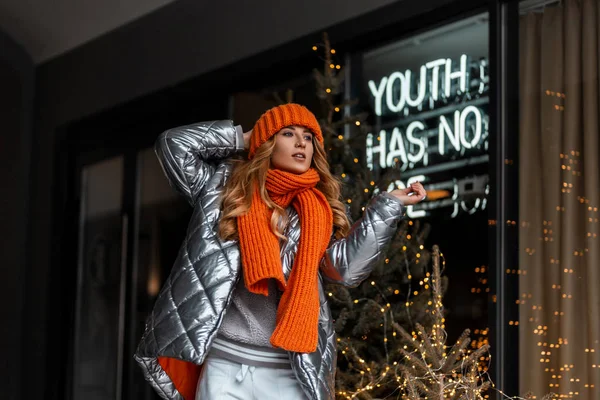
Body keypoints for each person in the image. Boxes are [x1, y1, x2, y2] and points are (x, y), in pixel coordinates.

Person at [134, 103, 426, 400]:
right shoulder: (223, 190)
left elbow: (346, 271)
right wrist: (242, 138)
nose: (301, 142)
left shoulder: (321, 210)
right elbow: (173, 145)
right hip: (225, 365)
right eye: (288, 133)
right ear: (267, 142)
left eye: (308, 137)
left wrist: (388, 206)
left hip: (289, 371)